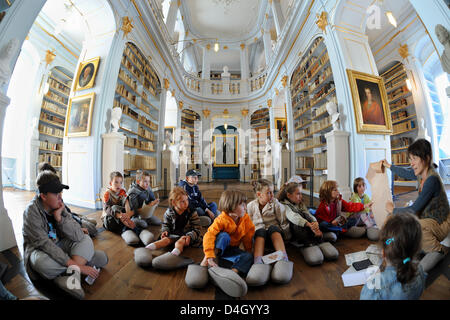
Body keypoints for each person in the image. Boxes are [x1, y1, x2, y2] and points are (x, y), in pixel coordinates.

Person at [22, 171, 108, 299]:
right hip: (41, 251)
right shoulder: (31, 212)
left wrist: (60, 219)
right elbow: (46, 246)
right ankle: (83, 263)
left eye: (60, 192)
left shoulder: (60, 205)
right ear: (43, 196)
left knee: (85, 239)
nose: (60, 197)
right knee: (42, 264)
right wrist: (79, 266)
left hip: (61, 245)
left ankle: (68, 276)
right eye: (56, 193)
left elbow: (78, 235)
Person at [382, 139, 450, 271]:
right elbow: (406, 173)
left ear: (426, 158)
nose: (411, 163)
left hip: (442, 221)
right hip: (430, 217)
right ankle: (413, 250)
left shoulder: (432, 179)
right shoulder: (421, 173)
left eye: (414, 158)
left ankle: (440, 250)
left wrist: (393, 209)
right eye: (410, 159)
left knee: (416, 224)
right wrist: (389, 166)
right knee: (404, 223)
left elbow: (413, 210)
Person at [360, 213, 426, 300]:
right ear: (417, 249)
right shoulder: (420, 270)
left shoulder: (375, 287)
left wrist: (375, 279)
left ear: (383, 253)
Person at [200, 190, 255, 292]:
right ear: (233, 207)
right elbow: (209, 235)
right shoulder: (221, 219)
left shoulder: (245, 219)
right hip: (217, 248)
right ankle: (210, 260)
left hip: (231, 250)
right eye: (242, 205)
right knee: (224, 236)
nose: (245, 207)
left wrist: (248, 252)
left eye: (245, 204)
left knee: (248, 256)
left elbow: (248, 236)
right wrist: (209, 255)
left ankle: (232, 274)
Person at [278, 181, 339, 266]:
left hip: (308, 229)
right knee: (299, 218)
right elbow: (293, 217)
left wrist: (315, 222)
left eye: (301, 193)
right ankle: (308, 243)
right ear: (289, 195)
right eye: (298, 194)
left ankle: (318, 239)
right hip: (297, 234)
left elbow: (308, 214)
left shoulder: (300, 203)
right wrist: (309, 224)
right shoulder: (283, 205)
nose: (301, 196)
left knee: (308, 215)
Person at [37, 162, 97, 237]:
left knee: (92, 223)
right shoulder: (40, 209)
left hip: (70, 217)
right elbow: (52, 235)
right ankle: (80, 218)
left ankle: (80, 217)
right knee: (92, 226)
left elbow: (66, 212)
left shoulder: (54, 198)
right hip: (67, 221)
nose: (60, 196)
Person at [145, 187, 202, 255]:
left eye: (187, 200)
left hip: (186, 236)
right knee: (164, 241)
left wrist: (190, 236)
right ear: (174, 202)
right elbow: (166, 224)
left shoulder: (192, 212)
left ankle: (173, 255)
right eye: (182, 201)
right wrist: (165, 231)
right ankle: (146, 250)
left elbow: (197, 228)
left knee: (179, 243)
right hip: (173, 235)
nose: (186, 203)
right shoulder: (169, 212)